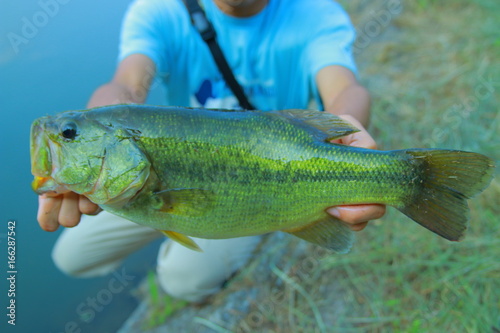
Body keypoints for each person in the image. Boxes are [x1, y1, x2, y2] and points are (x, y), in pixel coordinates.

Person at [37, 0, 386, 302]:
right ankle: (169, 229)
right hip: (150, 181)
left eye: (68, 134)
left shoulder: (314, 14)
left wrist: (348, 126)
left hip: (263, 187)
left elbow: (345, 87)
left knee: (182, 281)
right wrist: (89, 134)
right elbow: (127, 86)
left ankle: (262, 229)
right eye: (69, 134)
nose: (64, 138)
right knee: (72, 256)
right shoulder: (160, 11)